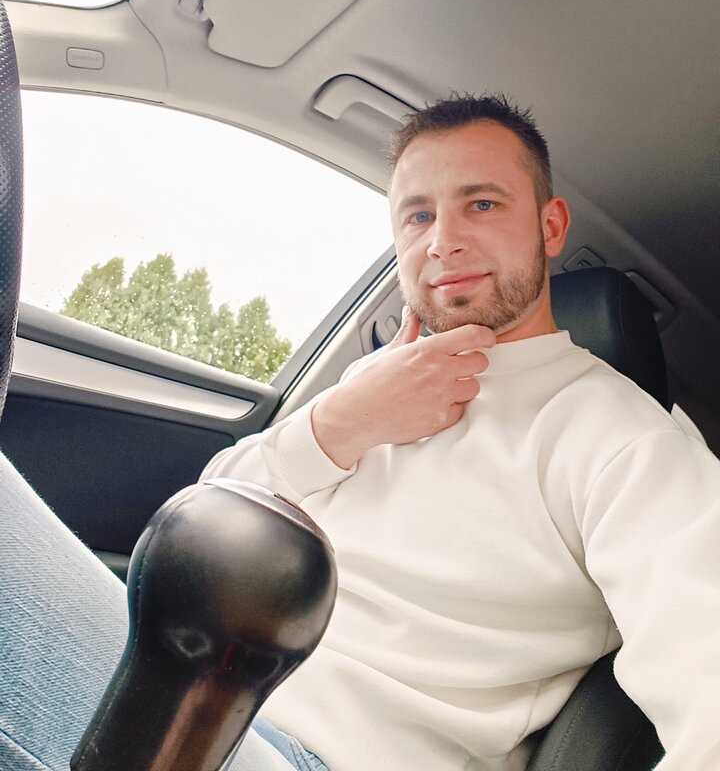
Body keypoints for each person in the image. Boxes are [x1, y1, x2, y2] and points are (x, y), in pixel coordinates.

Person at [1, 93, 719, 771]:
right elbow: (202, 526)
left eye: (482, 203)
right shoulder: (374, 383)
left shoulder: (621, 436)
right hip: (185, 686)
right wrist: (341, 422)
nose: (443, 241)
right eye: (417, 216)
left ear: (550, 226)